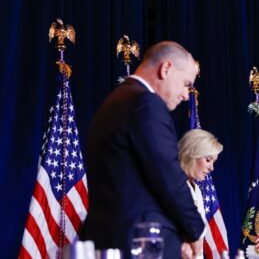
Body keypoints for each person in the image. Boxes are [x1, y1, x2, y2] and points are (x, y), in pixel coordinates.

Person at [82, 41, 205, 258]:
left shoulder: (115, 102)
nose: (187, 95)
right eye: (186, 84)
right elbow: (168, 175)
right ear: (166, 68)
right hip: (142, 243)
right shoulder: (147, 104)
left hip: (111, 240)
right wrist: (195, 230)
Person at [177, 129, 224, 259]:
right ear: (192, 154)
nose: (211, 168)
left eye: (213, 162)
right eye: (208, 160)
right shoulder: (175, 187)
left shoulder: (196, 190)